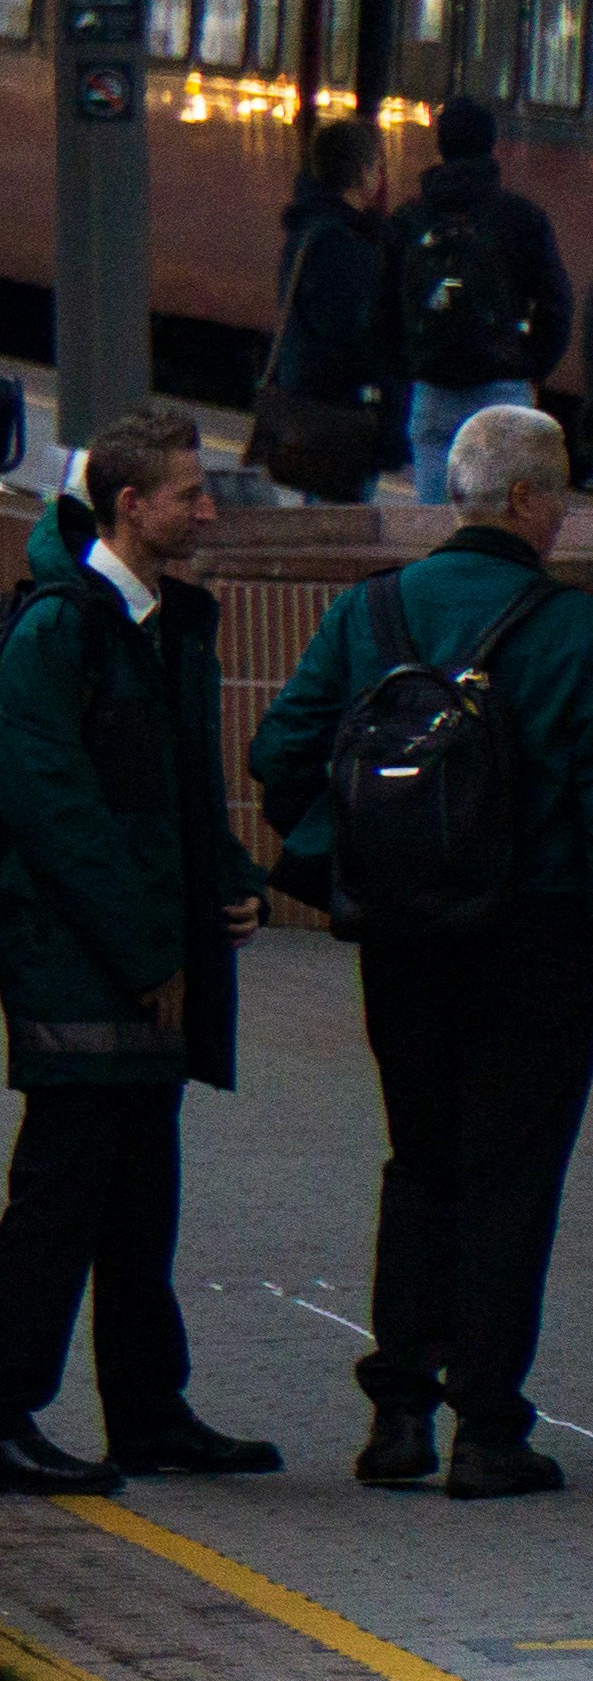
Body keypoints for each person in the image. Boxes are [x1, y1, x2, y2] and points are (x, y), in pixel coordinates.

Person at [252, 403, 593, 1498]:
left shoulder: (373, 612)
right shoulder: (573, 631)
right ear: (531, 502)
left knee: (422, 1158)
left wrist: (338, 861)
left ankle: (397, 1412)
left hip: (400, 937)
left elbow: (280, 748)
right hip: (537, 940)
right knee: (511, 1176)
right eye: (565, 494)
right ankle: (487, 1429)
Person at [0, 408, 278, 1495]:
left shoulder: (160, 623)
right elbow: (56, 812)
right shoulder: (63, 630)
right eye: (190, 491)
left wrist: (227, 880)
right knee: (60, 1199)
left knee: (140, 1199)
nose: (208, 507)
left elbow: (173, 787)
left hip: (142, 966)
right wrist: (150, 950)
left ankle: (147, 1409)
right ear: (131, 507)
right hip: (79, 966)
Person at [389, 97, 571, 496]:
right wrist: (528, 365)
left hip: (433, 388)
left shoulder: (409, 220)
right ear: (492, 145)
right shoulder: (522, 218)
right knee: (499, 521)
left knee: (434, 526)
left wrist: (413, 364)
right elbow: (557, 306)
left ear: (440, 146)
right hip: (503, 390)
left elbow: (380, 313)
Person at [257, 117, 399, 505]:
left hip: (314, 405)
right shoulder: (337, 240)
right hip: (338, 416)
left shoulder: (310, 229)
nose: (380, 177)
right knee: (340, 521)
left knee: (322, 513)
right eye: (376, 167)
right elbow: (346, 328)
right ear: (362, 173)